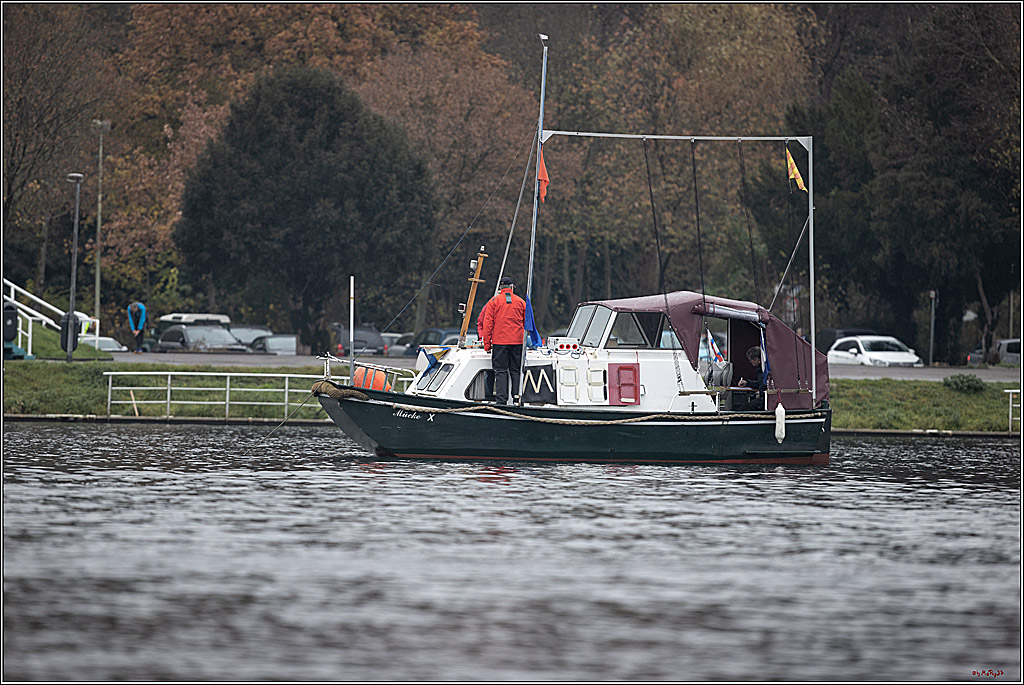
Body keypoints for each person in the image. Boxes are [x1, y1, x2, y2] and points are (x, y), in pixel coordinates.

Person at [480, 276, 526, 405]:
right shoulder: (521, 302)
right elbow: (527, 323)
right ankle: (517, 399)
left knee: (500, 371)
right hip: (517, 341)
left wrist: (487, 344)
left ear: (500, 288)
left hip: (500, 341)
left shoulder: (493, 301)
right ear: (511, 287)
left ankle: (501, 401)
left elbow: (487, 324)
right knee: (515, 370)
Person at [736, 345, 767, 410]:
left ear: (757, 359)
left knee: (744, 409)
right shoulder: (762, 369)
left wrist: (761, 393)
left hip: (765, 399)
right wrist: (747, 383)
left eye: (751, 360)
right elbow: (761, 383)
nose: (750, 362)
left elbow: (764, 385)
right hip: (763, 397)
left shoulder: (764, 370)